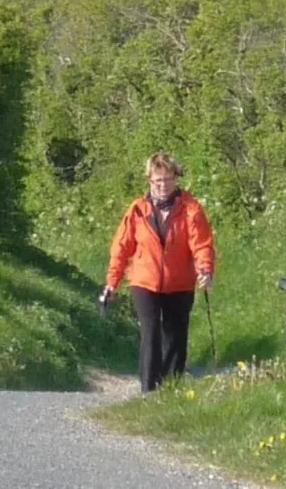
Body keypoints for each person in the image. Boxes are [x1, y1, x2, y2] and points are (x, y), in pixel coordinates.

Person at [101, 152, 215, 393]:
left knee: (176, 335)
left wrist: (205, 269)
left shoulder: (190, 209)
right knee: (150, 330)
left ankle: (171, 387)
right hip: (145, 281)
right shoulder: (138, 210)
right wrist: (112, 282)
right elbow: (121, 247)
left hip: (180, 282)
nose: (163, 185)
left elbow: (201, 243)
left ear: (176, 178)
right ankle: (148, 389)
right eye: (158, 180)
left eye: (168, 179)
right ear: (149, 181)